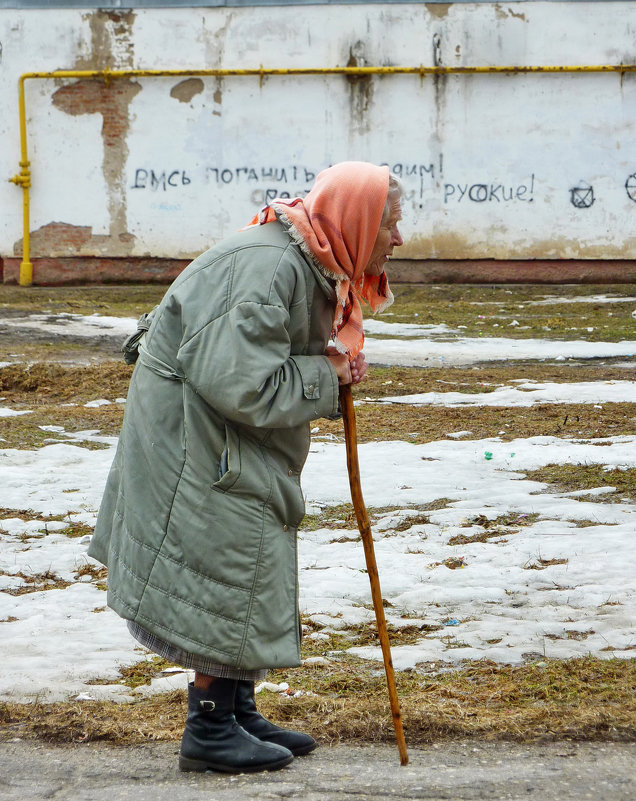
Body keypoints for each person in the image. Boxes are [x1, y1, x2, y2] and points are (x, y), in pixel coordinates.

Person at [88, 161, 403, 774]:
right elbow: (242, 382)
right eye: (391, 222)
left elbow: (256, 356)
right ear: (358, 221)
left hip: (215, 430)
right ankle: (208, 730)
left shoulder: (304, 259)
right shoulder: (271, 266)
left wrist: (326, 363)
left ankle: (236, 709)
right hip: (194, 437)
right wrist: (326, 375)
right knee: (228, 556)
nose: (398, 237)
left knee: (249, 556)